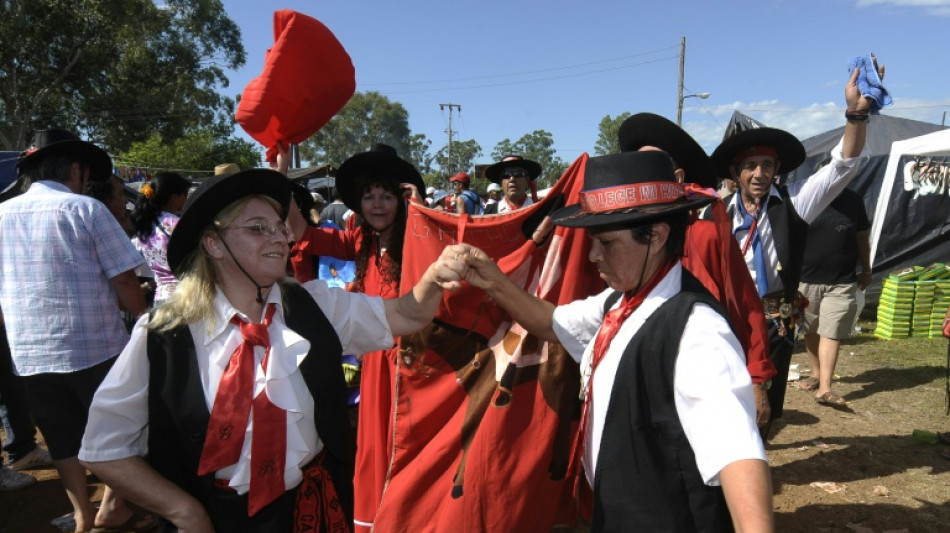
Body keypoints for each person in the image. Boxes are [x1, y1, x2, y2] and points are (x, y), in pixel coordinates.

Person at [78, 168, 467, 533]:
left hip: (316, 508)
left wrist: (434, 277)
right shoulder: (163, 336)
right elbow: (103, 448)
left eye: (280, 227)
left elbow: (408, 313)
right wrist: (185, 511)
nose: (280, 237)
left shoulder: (316, 306)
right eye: (257, 228)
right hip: (217, 517)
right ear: (213, 243)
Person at [460, 151, 773, 531]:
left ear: (656, 236)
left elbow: (738, 453)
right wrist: (492, 279)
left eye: (606, 243)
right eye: (593, 241)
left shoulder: (697, 332)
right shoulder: (620, 302)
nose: (593, 256)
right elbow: (551, 322)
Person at [706, 61, 880, 438]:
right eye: (750, 166)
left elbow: (842, 167)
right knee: (721, 396)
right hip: (726, 315)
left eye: (766, 165)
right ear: (736, 173)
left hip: (774, 318)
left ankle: (758, 453)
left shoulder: (795, 202)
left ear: (777, 168)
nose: (759, 174)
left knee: (764, 406)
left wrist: (856, 115)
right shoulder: (714, 212)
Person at [0, 128, 149, 532]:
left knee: (61, 438)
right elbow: (124, 279)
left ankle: (83, 515)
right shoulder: (86, 209)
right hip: (94, 348)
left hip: (30, 354)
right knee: (119, 431)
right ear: (76, 170)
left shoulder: (2, 214)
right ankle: (113, 507)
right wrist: (144, 319)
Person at [285, 144, 427, 532]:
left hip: (413, 362)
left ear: (402, 199)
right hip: (376, 360)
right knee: (375, 442)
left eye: (386, 196)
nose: (377, 204)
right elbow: (301, 231)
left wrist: (423, 212)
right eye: (369, 196)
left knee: (407, 442)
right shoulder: (360, 241)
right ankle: (378, 518)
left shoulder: (419, 238)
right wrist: (280, 176)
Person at [618, 111, 776, 427]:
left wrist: (757, 378)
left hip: (701, 378)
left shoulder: (706, 236)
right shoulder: (615, 241)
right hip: (640, 380)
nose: (641, 174)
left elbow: (746, 305)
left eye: (652, 166)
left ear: (677, 178)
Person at [797, 188, 872, 406]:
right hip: (806, 279)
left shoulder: (854, 201)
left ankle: (825, 388)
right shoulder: (807, 197)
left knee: (832, 330)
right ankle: (816, 373)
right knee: (810, 328)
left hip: (842, 281)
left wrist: (866, 270)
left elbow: (862, 238)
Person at [130, 171, 191, 306]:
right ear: (174, 197)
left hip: (160, 298)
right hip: (184, 297)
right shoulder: (175, 224)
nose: (186, 199)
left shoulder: (145, 226)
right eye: (185, 195)